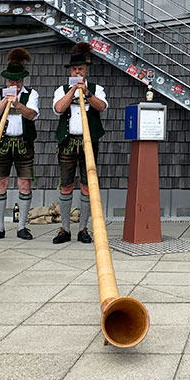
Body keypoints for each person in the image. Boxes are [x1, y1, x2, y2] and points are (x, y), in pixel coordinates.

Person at [52, 42, 107, 244]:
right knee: (66, 185)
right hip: (67, 142)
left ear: (86, 70)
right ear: (70, 71)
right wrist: (73, 90)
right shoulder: (61, 89)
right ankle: (65, 229)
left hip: (89, 142)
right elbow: (59, 108)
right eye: (74, 69)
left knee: (87, 185)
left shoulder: (96, 89)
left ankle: (83, 228)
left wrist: (87, 93)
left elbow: (101, 107)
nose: (77, 72)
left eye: (81, 69)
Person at [0, 48, 39, 242]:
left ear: (22, 80)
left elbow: (32, 115)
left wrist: (16, 103)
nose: (13, 84)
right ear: (6, 80)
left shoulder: (31, 94)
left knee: (24, 183)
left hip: (24, 142)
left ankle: (22, 227)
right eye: (10, 81)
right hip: (2, 143)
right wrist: (4, 101)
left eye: (17, 81)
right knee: (0, 183)